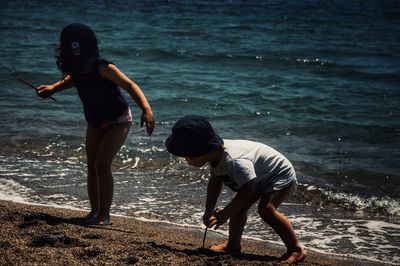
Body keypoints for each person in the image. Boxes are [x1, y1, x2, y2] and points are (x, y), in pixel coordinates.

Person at [37, 23, 155, 225]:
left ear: (91, 50)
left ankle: (105, 215)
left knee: (102, 164)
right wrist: (52, 89)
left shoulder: (104, 67)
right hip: (95, 121)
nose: (83, 62)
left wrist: (146, 109)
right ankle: (93, 212)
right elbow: (70, 80)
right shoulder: (76, 69)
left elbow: (129, 85)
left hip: (118, 119)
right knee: (91, 166)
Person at [165, 115, 307, 264]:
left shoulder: (234, 160)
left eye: (186, 156)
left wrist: (224, 214)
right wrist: (209, 210)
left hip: (277, 173)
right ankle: (233, 245)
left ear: (200, 151)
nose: (185, 160)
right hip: (257, 177)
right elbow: (215, 183)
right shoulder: (214, 156)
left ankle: (296, 249)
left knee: (266, 209)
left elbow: (248, 190)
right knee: (238, 207)